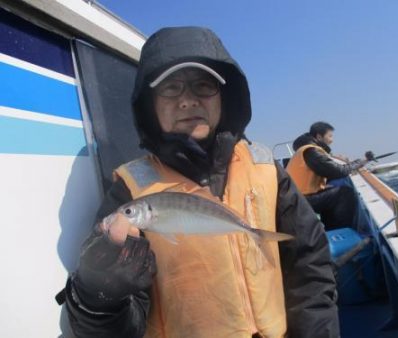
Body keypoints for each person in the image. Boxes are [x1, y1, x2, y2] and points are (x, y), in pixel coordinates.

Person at [63, 27, 339, 338]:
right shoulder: (130, 190)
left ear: (225, 97)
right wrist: (98, 298)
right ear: (149, 105)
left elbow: (310, 265)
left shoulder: (265, 168)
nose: (187, 100)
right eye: (170, 88)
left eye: (203, 86)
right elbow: (118, 328)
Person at [286, 121, 374, 231]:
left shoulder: (305, 149)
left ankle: (330, 229)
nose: (332, 140)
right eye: (330, 136)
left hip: (296, 198)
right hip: (299, 201)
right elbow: (340, 171)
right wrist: (362, 161)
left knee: (333, 190)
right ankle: (339, 232)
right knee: (344, 193)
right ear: (319, 136)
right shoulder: (311, 151)